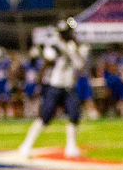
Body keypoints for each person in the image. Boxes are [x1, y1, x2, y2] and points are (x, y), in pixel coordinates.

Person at [18, 19, 86, 158]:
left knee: (74, 115)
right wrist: (41, 83)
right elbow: (47, 62)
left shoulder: (72, 47)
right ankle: (27, 144)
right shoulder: (55, 46)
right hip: (55, 85)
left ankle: (71, 146)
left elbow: (79, 65)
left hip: (68, 85)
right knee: (45, 116)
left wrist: (74, 51)